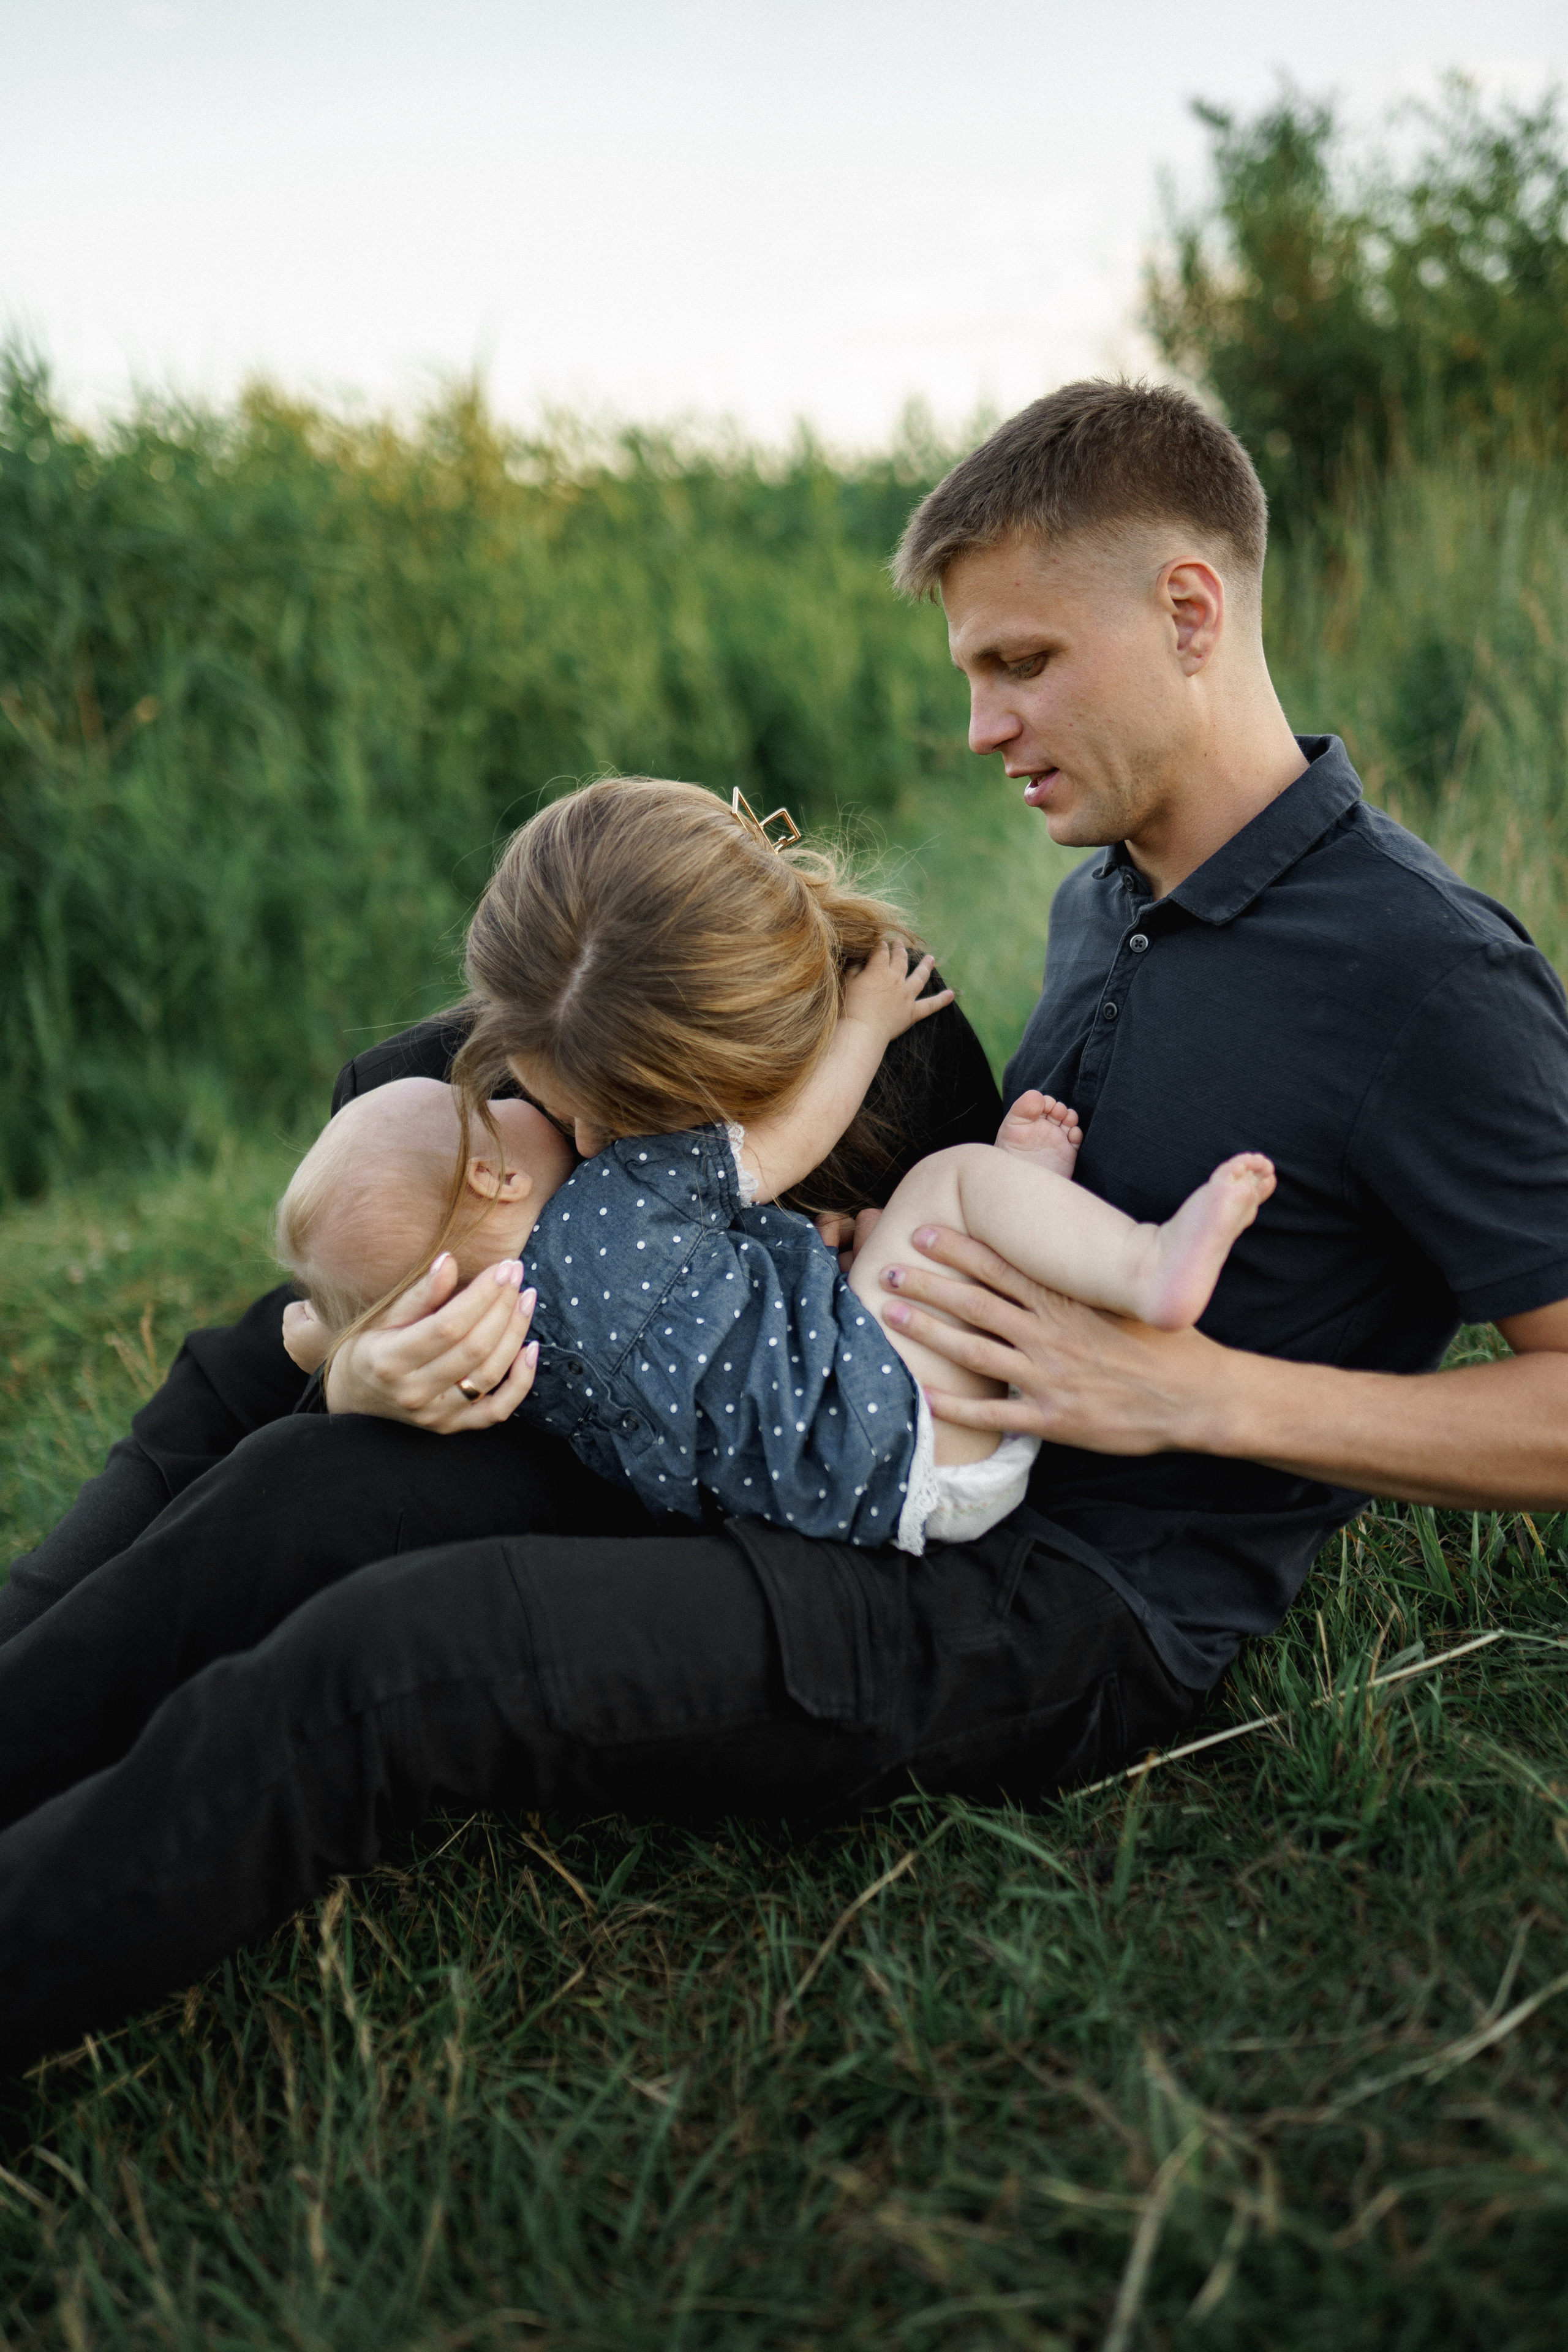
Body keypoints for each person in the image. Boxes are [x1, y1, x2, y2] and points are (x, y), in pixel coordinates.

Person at [4, 379, 1568, 2079]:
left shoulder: (1430, 984)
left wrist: (1196, 1399)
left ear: (1189, 609)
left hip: (1052, 1601)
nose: (981, 725)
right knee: (287, 1406)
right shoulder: (1115, 891)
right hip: (840, 1415)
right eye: (973, 670)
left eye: (1021, 664)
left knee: (398, 1664)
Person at [274, 782, 1275, 1553]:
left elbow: (396, 1293)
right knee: (958, 1190)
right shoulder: (600, 1187)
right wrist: (360, 1376)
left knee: (931, 1210)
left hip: (846, 1487)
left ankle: (1056, 1222)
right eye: (545, 1106)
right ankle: (1137, 1258)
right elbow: (788, 1150)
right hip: (909, 1447)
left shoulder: (507, 1331)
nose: (580, 1144)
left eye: (614, 1123)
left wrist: (330, 1345)